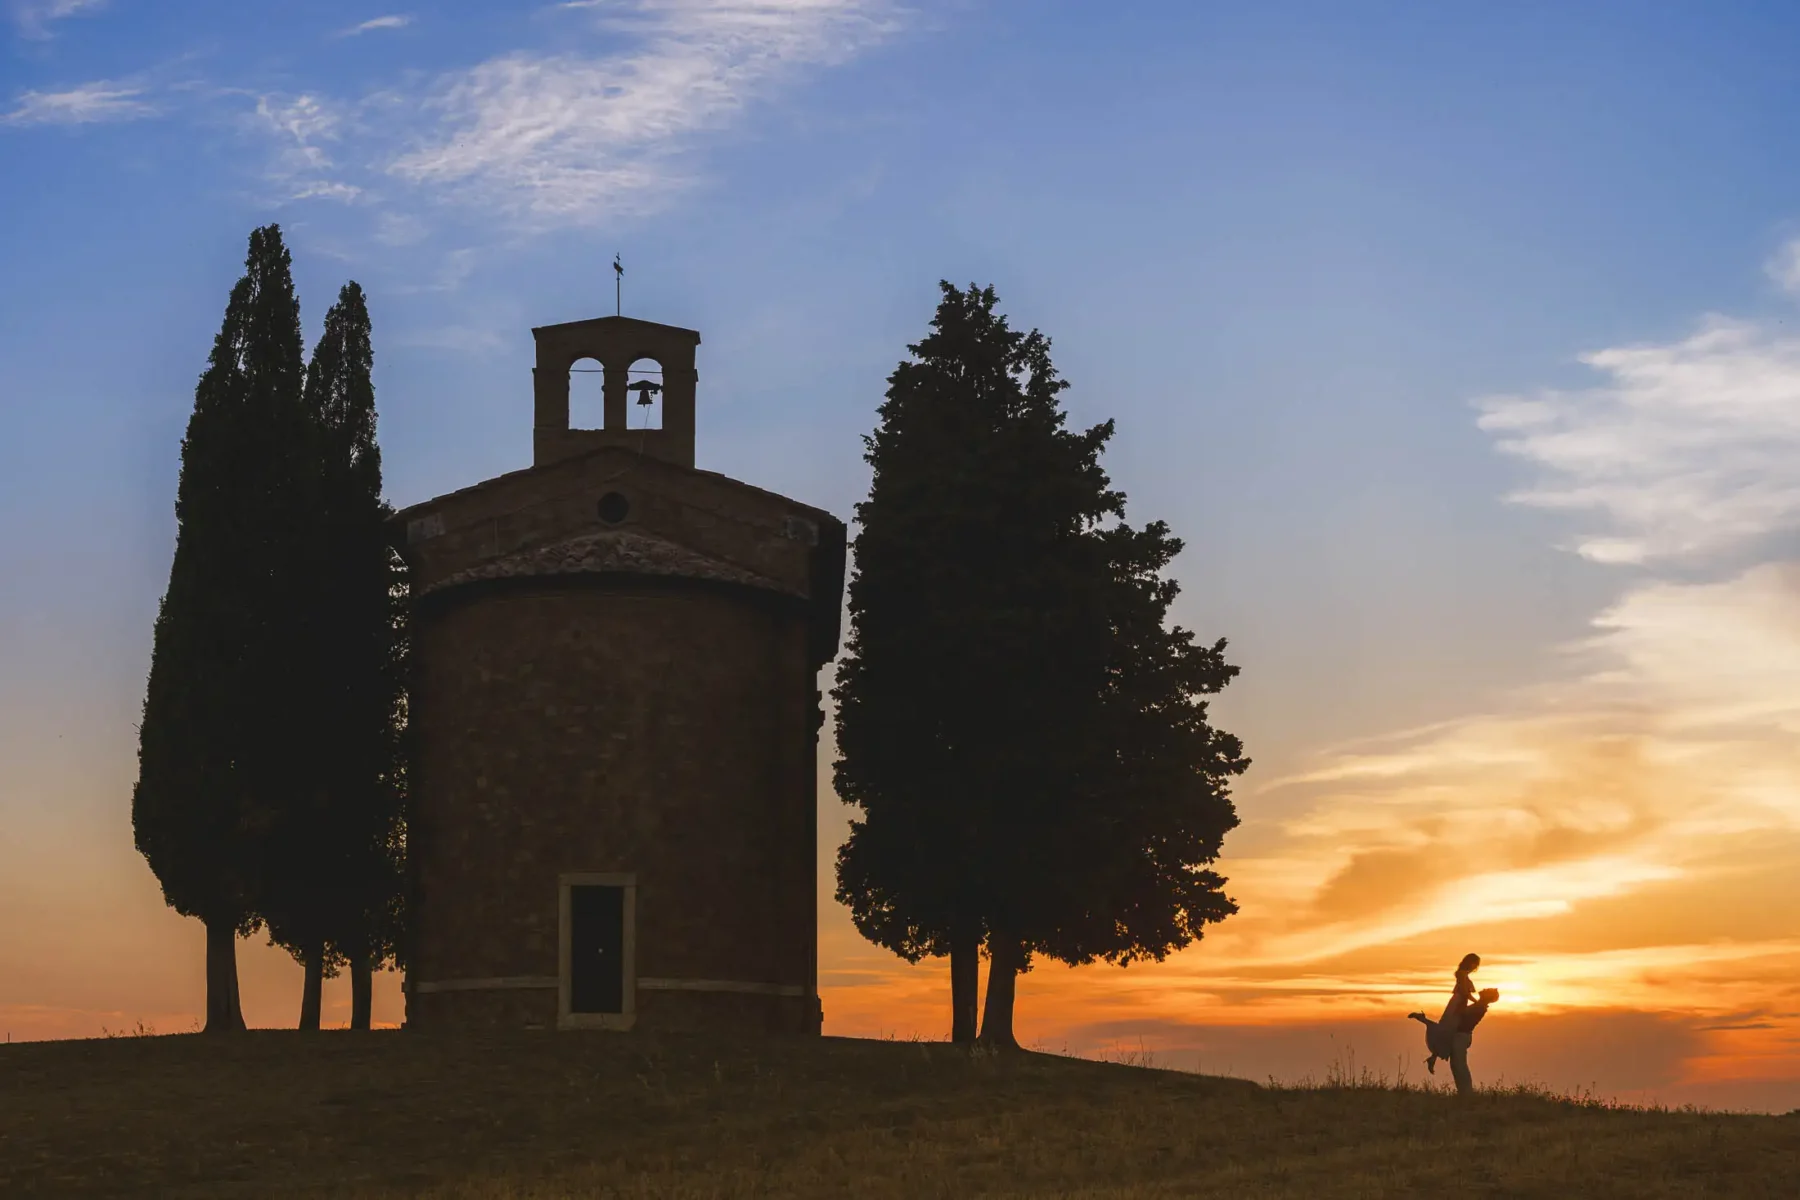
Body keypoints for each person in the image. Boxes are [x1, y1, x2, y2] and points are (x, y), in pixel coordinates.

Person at [1407, 953, 1495, 1096]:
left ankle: (1433, 1054)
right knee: (1445, 1030)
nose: (1475, 967)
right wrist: (1476, 1002)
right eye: (1474, 964)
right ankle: (1433, 1053)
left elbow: (1467, 996)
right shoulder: (1462, 975)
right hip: (1457, 1005)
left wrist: (1476, 1002)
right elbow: (1465, 994)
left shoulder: (1468, 983)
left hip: (1459, 1006)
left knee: (1446, 1032)